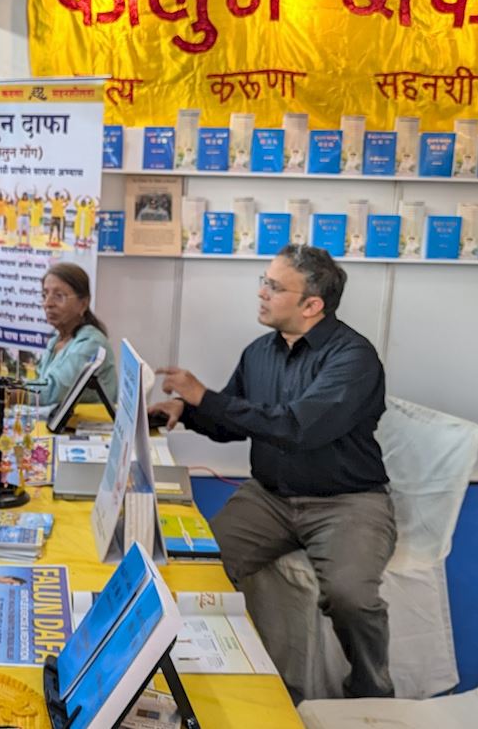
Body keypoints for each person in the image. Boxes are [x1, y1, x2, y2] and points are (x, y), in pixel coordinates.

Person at [148, 244, 396, 700]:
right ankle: (211, 671)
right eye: (263, 281)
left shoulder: (353, 358)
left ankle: (371, 691)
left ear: (312, 305)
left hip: (346, 502)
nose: (261, 293)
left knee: (350, 596)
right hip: (270, 497)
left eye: (274, 286)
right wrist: (186, 411)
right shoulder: (259, 352)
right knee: (198, 564)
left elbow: (297, 428)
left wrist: (205, 396)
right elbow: (233, 424)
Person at [0, 263, 117, 425]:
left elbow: (46, 391)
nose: (48, 304)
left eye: (59, 296)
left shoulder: (90, 344)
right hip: (58, 421)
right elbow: (38, 387)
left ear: (83, 303)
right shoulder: (57, 340)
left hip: (87, 430)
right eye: (45, 295)